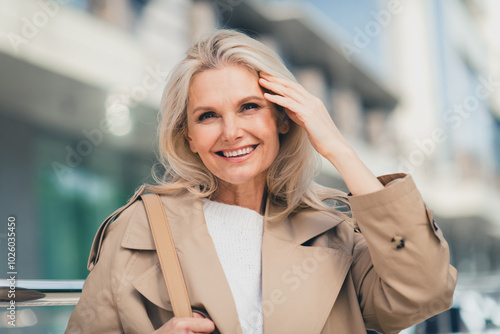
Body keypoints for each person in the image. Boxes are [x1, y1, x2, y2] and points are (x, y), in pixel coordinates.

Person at [66, 29, 457, 334]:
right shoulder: (138, 230)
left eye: (249, 107)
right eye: (207, 116)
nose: (231, 132)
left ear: (284, 118)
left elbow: (425, 290)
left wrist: (338, 148)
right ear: (187, 135)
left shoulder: (333, 233)